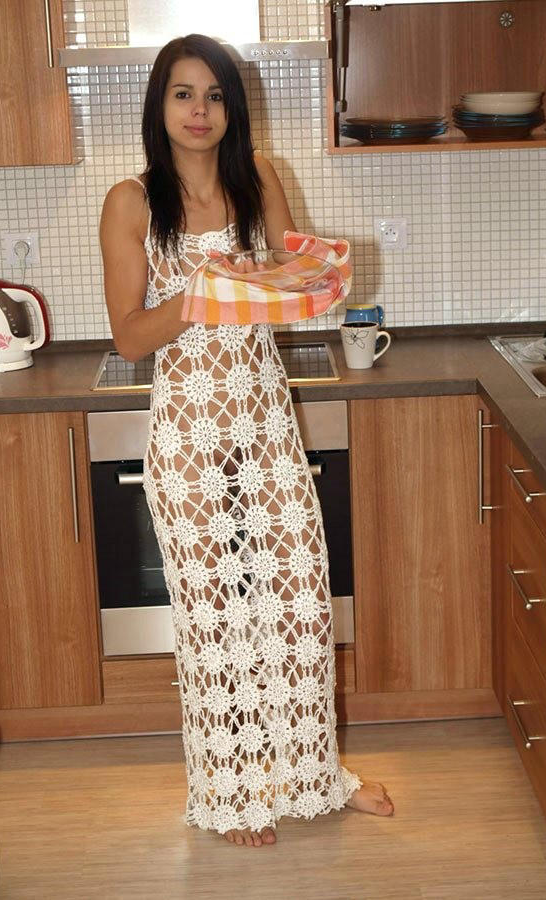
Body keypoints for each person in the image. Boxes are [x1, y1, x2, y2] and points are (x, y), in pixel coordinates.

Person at [99, 33, 393, 848]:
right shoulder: (130, 201)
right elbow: (128, 338)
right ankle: (230, 796)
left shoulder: (255, 178)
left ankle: (311, 778)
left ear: (234, 106)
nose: (200, 111)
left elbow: (294, 295)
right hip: (190, 428)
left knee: (299, 600)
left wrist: (319, 276)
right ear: (158, 107)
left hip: (262, 416)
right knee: (215, 619)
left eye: (215, 95)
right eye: (183, 94)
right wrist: (205, 292)